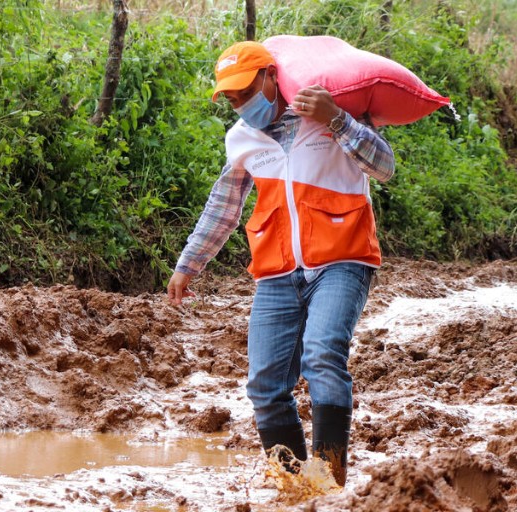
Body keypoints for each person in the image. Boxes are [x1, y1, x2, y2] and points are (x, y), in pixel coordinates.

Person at [166, 41, 395, 486]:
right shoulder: (242, 138)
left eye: (244, 92)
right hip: (277, 270)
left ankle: (329, 482)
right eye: (230, 98)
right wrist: (188, 263)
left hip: (342, 258)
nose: (238, 104)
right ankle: (293, 487)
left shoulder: (330, 114)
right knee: (265, 386)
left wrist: (337, 119)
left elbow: (384, 167)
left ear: (271, 78)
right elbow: (224, 205)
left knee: (323, 355)